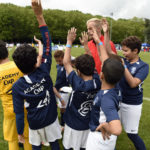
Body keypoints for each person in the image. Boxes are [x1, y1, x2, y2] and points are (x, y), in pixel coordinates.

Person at [12, 0, 62, 150]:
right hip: (51, 118)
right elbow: (48, 44)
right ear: (36, 62)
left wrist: (20, 132)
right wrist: (39, 16)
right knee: (54, 143)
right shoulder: (44, 70)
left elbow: (19, 114)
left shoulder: (17, 86)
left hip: (34, 122)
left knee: (36, 146)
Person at [86, 23, 124, 150]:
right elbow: (104, 58)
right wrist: (98, 41)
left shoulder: (106, 98)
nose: (101, 65)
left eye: (102, 68)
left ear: (101, 75)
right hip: (106, 139)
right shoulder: (116, 85)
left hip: (100, 139)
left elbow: (117, 129)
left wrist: (106, 127)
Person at [62, 27, 101, 150]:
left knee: (71, 146)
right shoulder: (98, 80)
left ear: (78, 71)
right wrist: (85, 46)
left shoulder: (78, 84)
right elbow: (91, 62)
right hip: (88, 123)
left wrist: (69, 41)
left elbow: (66, 63)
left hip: (73, 124)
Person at [118, 36, 149, 150]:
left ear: (135, 51)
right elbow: (108, 50)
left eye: (126, 50)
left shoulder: (144, 66)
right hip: (118, 101)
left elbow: (133, 83)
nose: (123, 53)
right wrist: (105, 33)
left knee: (132, 134)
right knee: (111, 130)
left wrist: (124, 67)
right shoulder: (124, 60)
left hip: (132, 104)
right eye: (122, 50)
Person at [0, 40, 32, 150]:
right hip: (25, 106)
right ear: (8, 53)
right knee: (28, 136)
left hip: (9, 109)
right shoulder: (18, 65)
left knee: (12, 139)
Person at [53, 50, 71, 128]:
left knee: (63, 107)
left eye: (59, 60)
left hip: (64, 90)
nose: (58, 62)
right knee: (58, 106)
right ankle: (58, 120)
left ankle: (63, 123)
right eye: (57, 61)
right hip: (56, 89)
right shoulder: (58, 66)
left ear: (63, 58)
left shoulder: (67, 66)